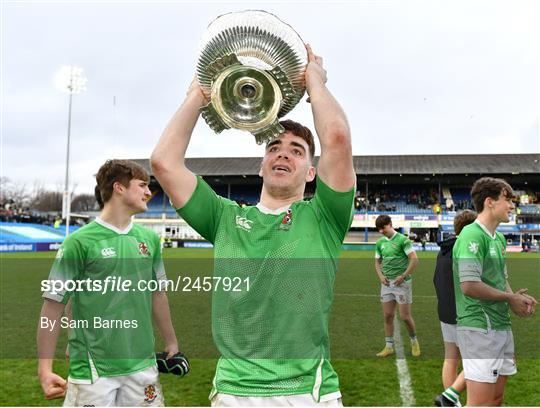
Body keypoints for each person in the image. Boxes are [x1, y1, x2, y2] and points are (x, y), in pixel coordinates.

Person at [151, 44, 355, 406]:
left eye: (296, 150)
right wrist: (197, 96)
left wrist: (315, 83)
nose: (282, 153)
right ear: (261, 165)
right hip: (234, 392)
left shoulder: (325, 217)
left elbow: (337, 140)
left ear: (311, 173)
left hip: (308, 392)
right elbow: (164, 163)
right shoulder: (225, 218)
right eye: (274, 147)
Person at [37, 160, 180, 406]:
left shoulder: (150, 240)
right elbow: (54, 305)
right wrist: (45, 368)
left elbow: (158, 295)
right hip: (94, 369)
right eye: (143, 185)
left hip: (142, 364)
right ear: (119, 188)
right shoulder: (79, 242)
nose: (149, 192)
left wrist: (171, 343)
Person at [452, 177, 537, 406]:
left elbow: (502, 279)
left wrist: (514, 299)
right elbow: (468, 285)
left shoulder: (498, 238)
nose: (512, 206)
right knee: (479, 404)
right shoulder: (472, 234)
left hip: (501, 326)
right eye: (507, 200)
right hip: (479, 328)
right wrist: (510, 297)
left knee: (496, 400)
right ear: (490, 202)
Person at [433, 209, 477, 407]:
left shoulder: (445, 248)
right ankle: (453, 397)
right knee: (480, 360)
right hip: (464, 313)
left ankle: (450, 400)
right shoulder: (466, 249)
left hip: (446, 311)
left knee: (450, 358)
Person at [374, 215, 420, 358]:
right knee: (388, 315)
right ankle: (389, 347)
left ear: (390, 224)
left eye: (383, 228)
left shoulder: (403, 240)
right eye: (379, 229)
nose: (381, 231)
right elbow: (377, 262)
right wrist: (381, 276)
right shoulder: (380, 242)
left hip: (402, 284)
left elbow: (414, 260)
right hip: (387, 284)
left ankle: (414, 341)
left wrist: (404, 276)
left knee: (405, 317)